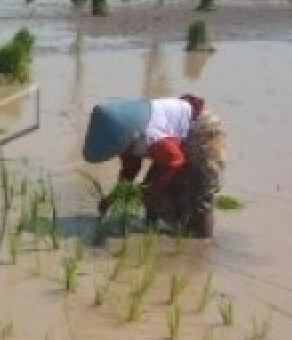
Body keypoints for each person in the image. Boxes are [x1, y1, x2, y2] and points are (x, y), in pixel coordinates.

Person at [83, 94, 227, 238]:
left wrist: (151, 188)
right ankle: (156, 229)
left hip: (202, 128)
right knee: (160, 190)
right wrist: (113, 199)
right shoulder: (126, 138)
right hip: (173, 141)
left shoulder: (150, 136)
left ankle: (203, 243)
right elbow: (129, 170)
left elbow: (175, 160)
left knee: (201, 195)